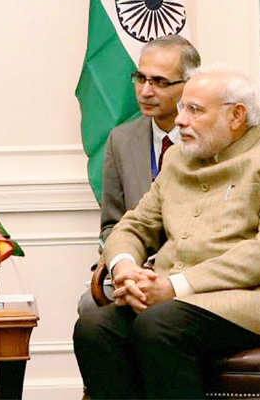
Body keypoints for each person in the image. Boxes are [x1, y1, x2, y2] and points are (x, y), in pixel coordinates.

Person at [73, 65, 260, 399]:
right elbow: (135, 224)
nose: (179, 121)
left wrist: (174, 286)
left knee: (159, 324)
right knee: (94, 328)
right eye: (181, 108)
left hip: (247, 297)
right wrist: (126, 268)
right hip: (171, 298)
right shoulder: (177, 158)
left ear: (236, 116)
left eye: (194, 110)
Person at [75, 35, 200, 319]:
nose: (145, 91)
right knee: (90, 307)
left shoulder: (208, 138)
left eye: (159, 82)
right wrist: (126, 267)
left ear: (189, 85)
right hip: (135, 268)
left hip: (190, 272)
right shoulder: (121, 140)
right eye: (140, 78)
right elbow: (111, 225)